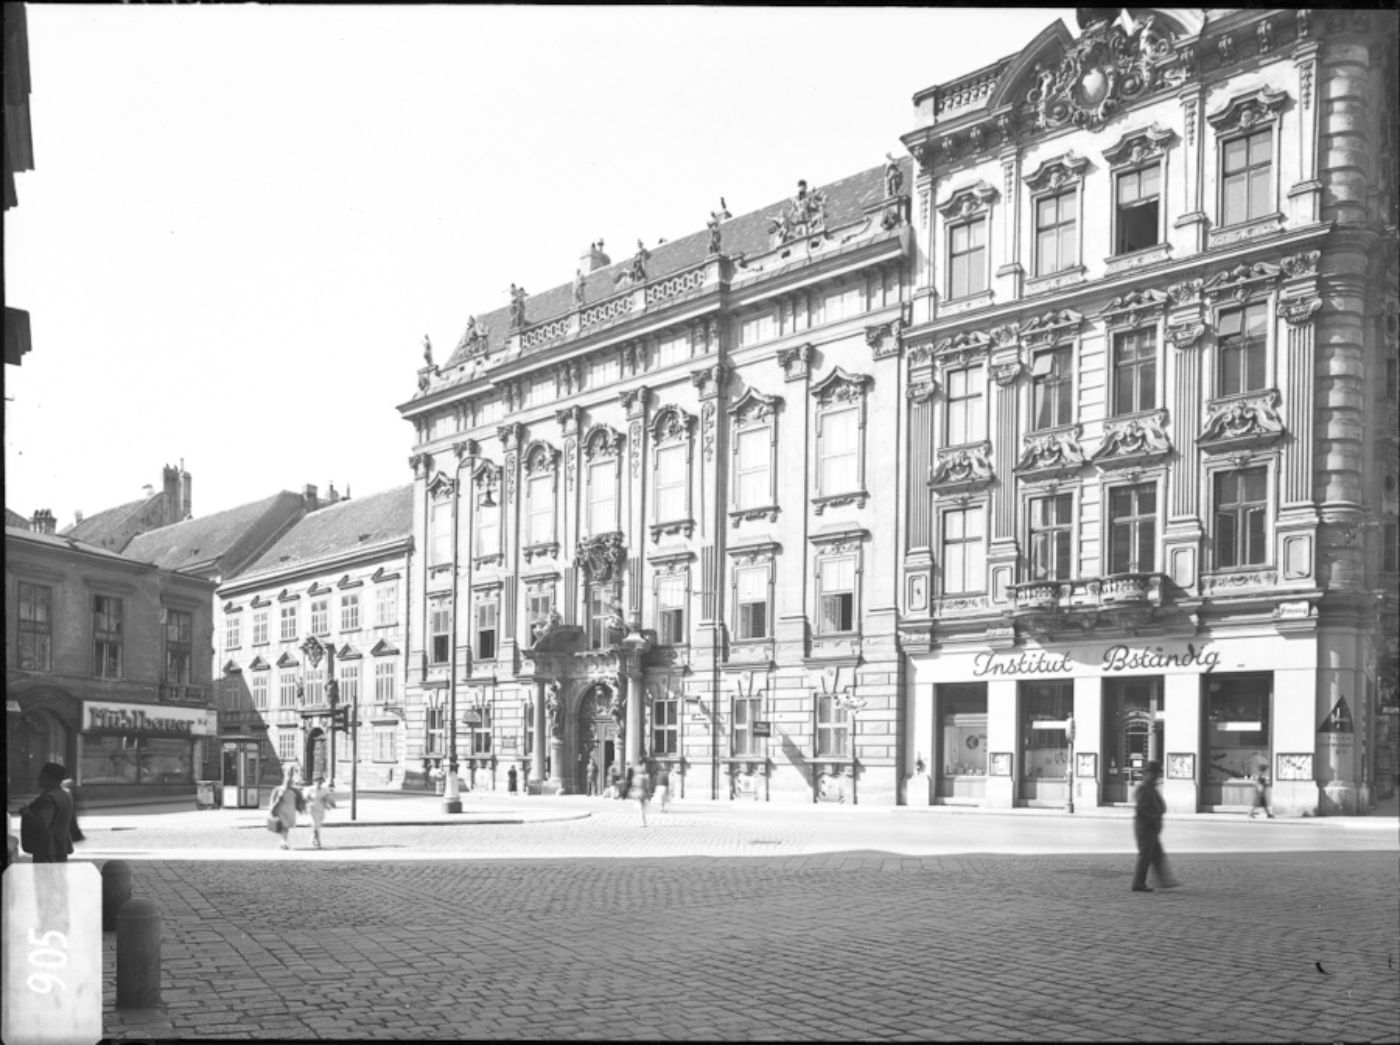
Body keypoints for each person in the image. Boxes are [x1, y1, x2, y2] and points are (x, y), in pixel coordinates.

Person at [1131, 760, 1179, 892]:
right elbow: (1141, 810)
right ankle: (1138, 883)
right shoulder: (1144, 789)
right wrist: (1154, 817)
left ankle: (1166, 880)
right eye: (1154, 773)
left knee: (1156, 853)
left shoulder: (1151, 789)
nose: (1156, 777)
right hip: (1145, 826)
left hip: (1151, 826)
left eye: (1157, 774)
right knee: (1145, 855)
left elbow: (1160, 806)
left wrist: (1158, 814)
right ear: (1147, 774)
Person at [16, 762, 76, 863]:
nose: (38, 779)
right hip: (60, 847)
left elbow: (41, 823)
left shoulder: (48, 799)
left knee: (44, 877)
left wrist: (26, 813)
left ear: (51, 779)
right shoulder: (65, 796)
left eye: (42, 776)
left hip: (46, 849)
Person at [267, 767, 303, 850]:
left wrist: (300, 808)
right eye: (287, 782)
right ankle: (284, 842)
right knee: (284, 825)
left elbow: (298, 800)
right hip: (281, 810)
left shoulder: (294, 791)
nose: (289, 784)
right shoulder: (279, 790)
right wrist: (272, 808)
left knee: (286, 826)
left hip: (290, 811)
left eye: (290, 782)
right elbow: (274, 800)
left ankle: (283, 841)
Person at [304, 776, 335, 850]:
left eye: (321, 782)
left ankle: (313, 838)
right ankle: (318, 841)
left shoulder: (324, 790)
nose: (320, 783)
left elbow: (328, 798)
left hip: (321, 810)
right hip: (312, 809)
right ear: (314, 781)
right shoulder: (309, 789)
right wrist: (306, 802)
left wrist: (331, 804)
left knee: (317, 826)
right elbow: (304, 799)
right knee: (315, 825)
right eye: (318, 782)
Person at [630, 760, 652, 828]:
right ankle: (643, 821)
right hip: (643, 793)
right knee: (641, 808)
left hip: (639, 793)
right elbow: (648, 786)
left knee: (640, 809)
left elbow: (635, 785)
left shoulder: (637, 777)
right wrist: (649, 794)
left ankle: (643, 822)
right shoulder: (646, 777)